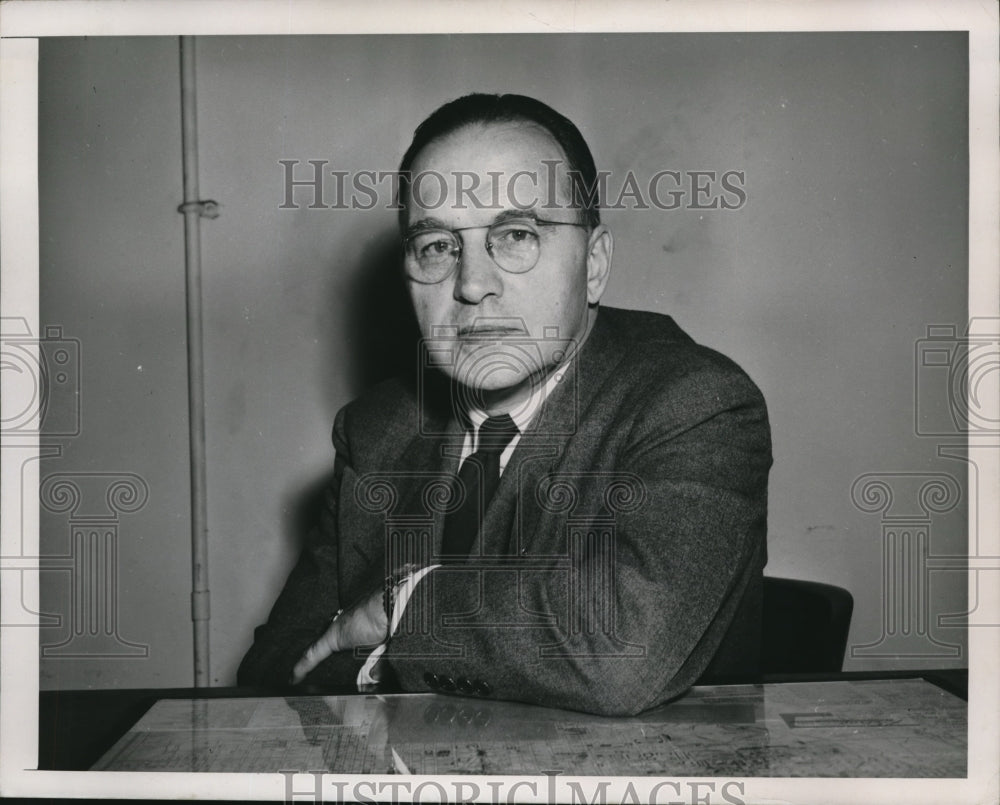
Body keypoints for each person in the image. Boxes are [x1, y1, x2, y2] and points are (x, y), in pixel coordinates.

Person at [237, 93, 771, 717]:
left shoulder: (693, 404)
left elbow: (622, 654)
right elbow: (282, 665)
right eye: (437, 246)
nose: (470, 284)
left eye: (516, 235)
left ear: (594, 265)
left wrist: (400, 609)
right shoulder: (375, 431)